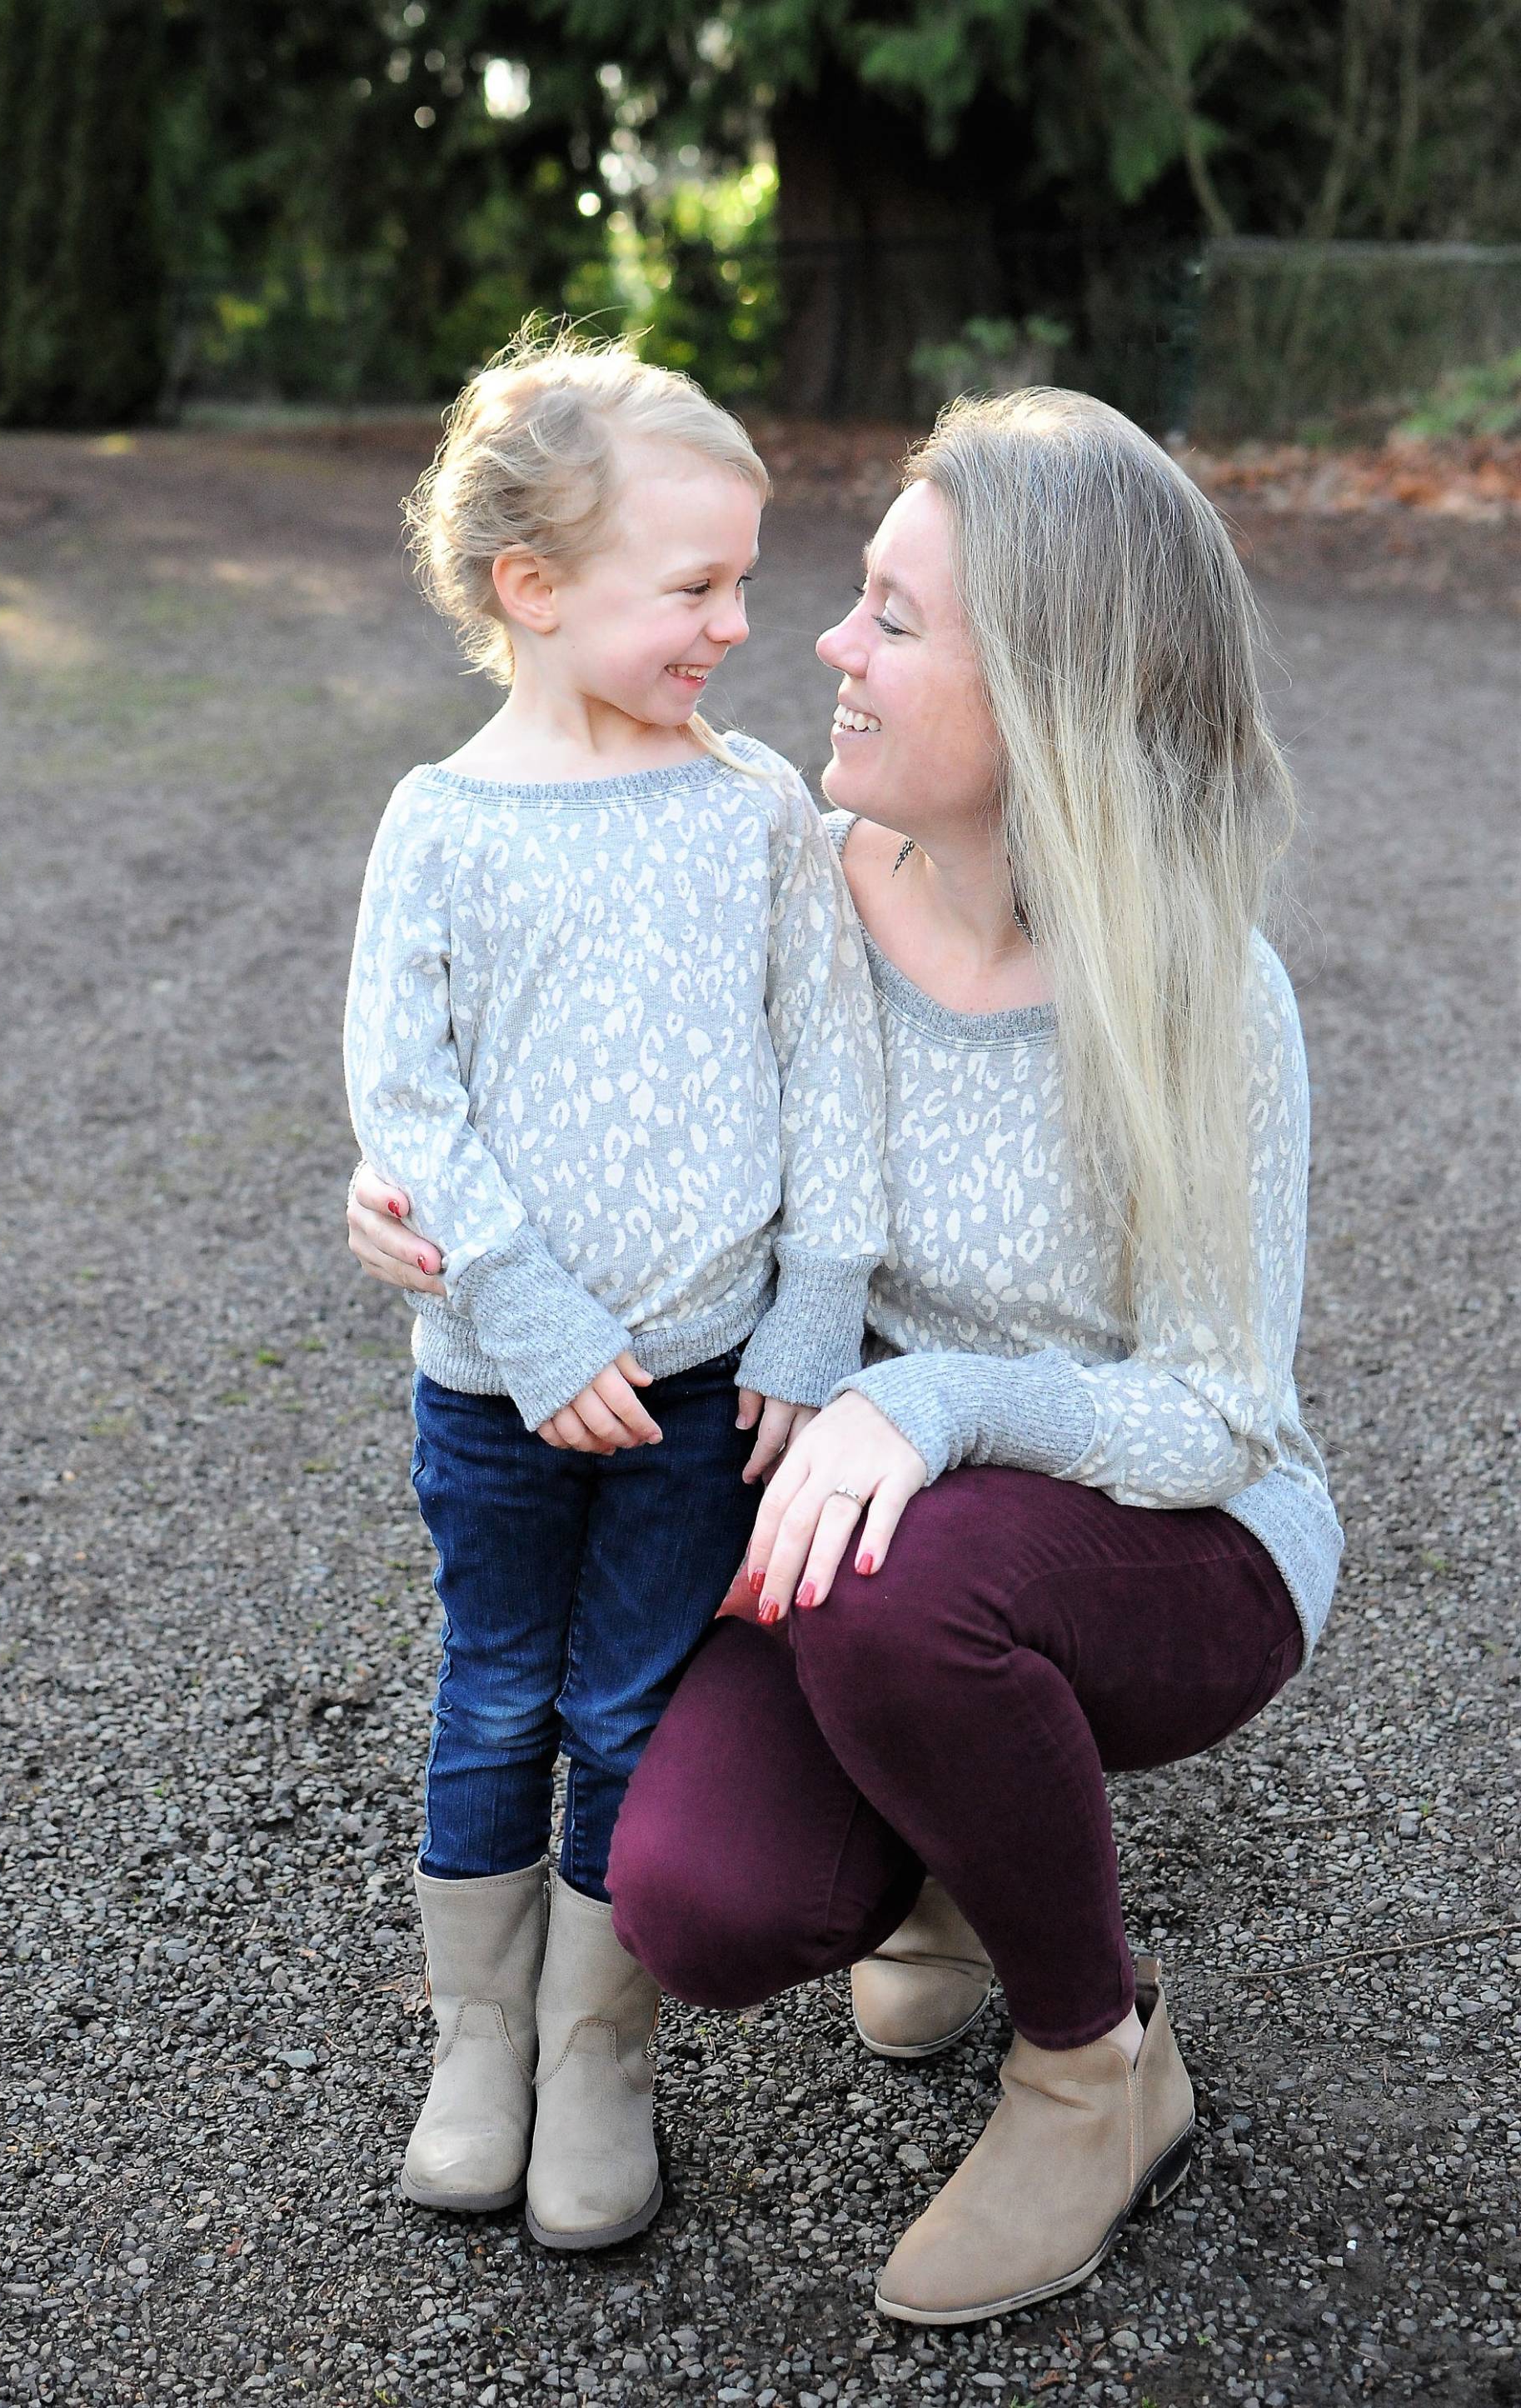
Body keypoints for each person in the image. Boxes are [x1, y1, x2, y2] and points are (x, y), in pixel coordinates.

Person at [348, 387, 1343, 2323]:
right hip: (854, 1508)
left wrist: (932, 1393)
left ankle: (1092, 2061)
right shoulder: (801, 866)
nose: (819, 640)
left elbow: (1225, 1406)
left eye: (892, 614)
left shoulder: (1207, 988)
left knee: (906, 1613)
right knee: (697, 1892)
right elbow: (571, 1086)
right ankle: (968, 1851)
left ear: (1045, 679)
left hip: (1157, 1524)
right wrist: (403, 1203)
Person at [342, 327, 886, 2252]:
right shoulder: (447, 823)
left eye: (746, 576)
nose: (740, 620)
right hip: (497, 1383)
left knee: (631, 1699)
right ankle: (475, 2041)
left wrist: (816, 1320)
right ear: (534, 586)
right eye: (699, 584)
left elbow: (834, 1068)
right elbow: (406, 1095)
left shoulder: (750, 814)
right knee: (499, 1691)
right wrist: (536, 1316)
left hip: (710, 1378)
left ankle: (598, 2052)